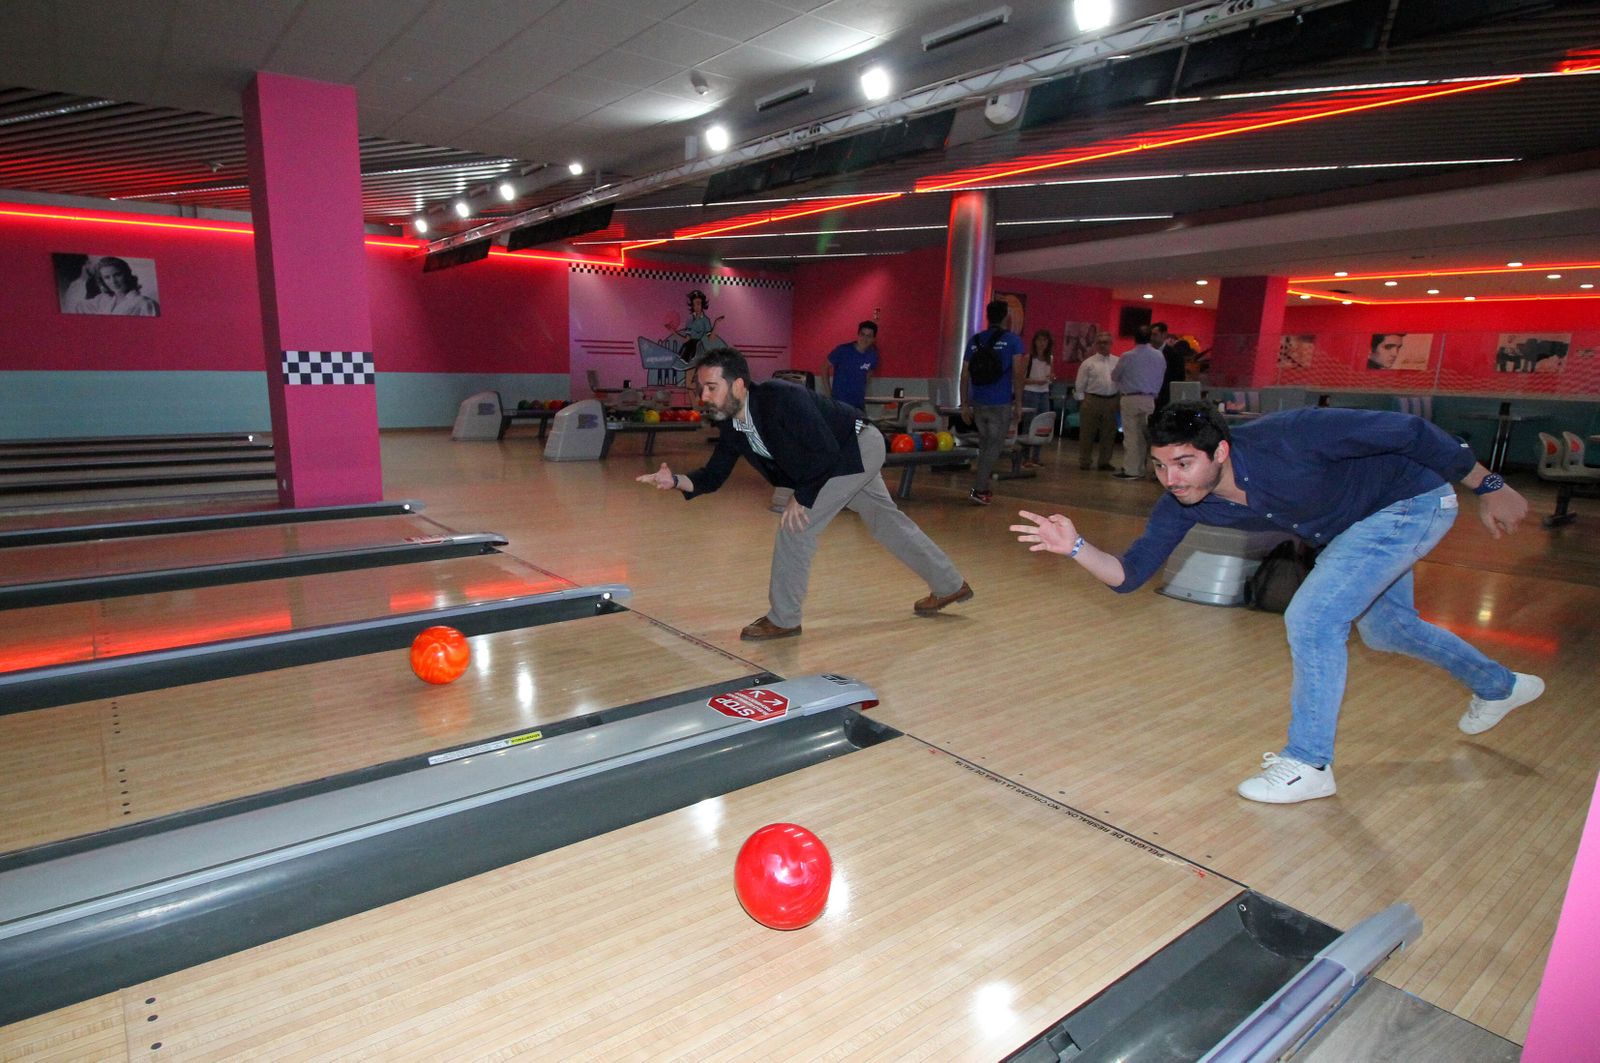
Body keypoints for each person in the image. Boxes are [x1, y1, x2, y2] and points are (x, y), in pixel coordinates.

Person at [1011, 401, 1544, 804]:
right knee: (1387, 632)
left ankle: (1309, 764)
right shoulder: (1183, 503)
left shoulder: (1291, 436)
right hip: (1352, 528)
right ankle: (1500, 686)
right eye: (1159, 466)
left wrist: (1489, 483)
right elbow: (1128, 576)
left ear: (1220, 451)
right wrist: (1076, 548)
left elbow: (1408, 431)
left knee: (1313, 618)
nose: (1171, 480)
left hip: (1411, 502)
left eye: (1183, 463)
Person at [638, 347, 971, 640]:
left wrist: (803, 496)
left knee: (796, 525)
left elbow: (824, 452)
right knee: (886, 521)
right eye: (702, 389)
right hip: (836, 459)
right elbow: (713, 475)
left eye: (712, 388)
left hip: (855, 448)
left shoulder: (782, 398)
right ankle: (949, 584)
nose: (704, 397)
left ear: (738, 384)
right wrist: (676, 480)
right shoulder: (734, 425)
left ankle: (784, 620)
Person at [960, 299, 1026, 506]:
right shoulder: (1013, 341)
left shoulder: (976, 340)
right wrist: (1018, 403)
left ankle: (982, 487)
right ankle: (979, 489)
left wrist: (964, 403)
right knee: (994, 447)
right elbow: (1017, 374)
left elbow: (964, 374)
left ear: (988, 316)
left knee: (986, 443)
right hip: (1000, 402)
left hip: (979, 401)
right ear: (1006, 316)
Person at [1110, 325, 1165, 480]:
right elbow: (1161, 376)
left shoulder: (1128, 356)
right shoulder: (1159, 356)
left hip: (1131, 398)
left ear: (1134, 338)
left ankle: (1132, 469)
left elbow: (1115, 376)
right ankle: (1143, 467)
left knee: (1132, 437)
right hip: (1150, 399)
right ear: (1150, 338)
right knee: (1147, 437)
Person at [1074, 331, 1120, 471]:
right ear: (1095, 345)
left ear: (1111, 344)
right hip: (1092, 399)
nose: (1102, 345)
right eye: (1099, 342)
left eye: (1105, 342)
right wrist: (1083, 402)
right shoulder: (1088, 363)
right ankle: (1085, 461)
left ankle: (1104, 462)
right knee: (1087, 432)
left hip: (1112, 399)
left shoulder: (1117, 361)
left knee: (1109, 433)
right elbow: (1080, 384)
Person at [63, 256, 159, 316]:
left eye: (117, 275)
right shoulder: (102, 300)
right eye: (107, 277)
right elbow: (72, 307)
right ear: (103, 280)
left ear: (127, 274)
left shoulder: (144, 303)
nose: (113, 281)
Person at [823, 320, 879, 413]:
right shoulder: (843, 350)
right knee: (840, 427)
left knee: (859, 427)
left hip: (858, 405)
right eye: (862, 334)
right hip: (839, 404)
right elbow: (824, 367)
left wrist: (862, 390)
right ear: (858, 335)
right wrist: (829, 393)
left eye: (868, 336)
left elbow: (869, 372)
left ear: (873, 339)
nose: (864, 338)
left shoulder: (873, 355)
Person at [1020, 329, 1055, 469]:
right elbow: (1021, 378)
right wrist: (1035, 381)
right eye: (1039, 340)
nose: (1042, 343)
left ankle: (1036, 456)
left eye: (1045, 340)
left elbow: (1050, 375)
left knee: (1042, 424)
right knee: (1029, 424)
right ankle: (1025, 457)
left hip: (1044, 392)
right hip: (1030, 392)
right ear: (1035, 342)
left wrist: (1050, 378)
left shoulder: (1050, 359)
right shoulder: (1028, 358)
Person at [674, 290, 724, 363]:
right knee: (689, 369)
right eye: (694, 305)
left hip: (699, 348)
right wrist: (673, 332)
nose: (696, 307)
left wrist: (716, 324)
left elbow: (711, 338)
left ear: (702, 305)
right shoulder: (690, 319)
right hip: (688, 348)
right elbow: (686, 339)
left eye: (698, 304)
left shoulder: (705, 320)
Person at [1150, 322, 1187, 409]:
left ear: (1164, 335)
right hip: (1148, 398)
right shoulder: (1147, 354)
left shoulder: (1174, 355)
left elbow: (1179, 378)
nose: (1151, 338)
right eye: (1150, 335)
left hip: (1165, 399)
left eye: (1155, 335)